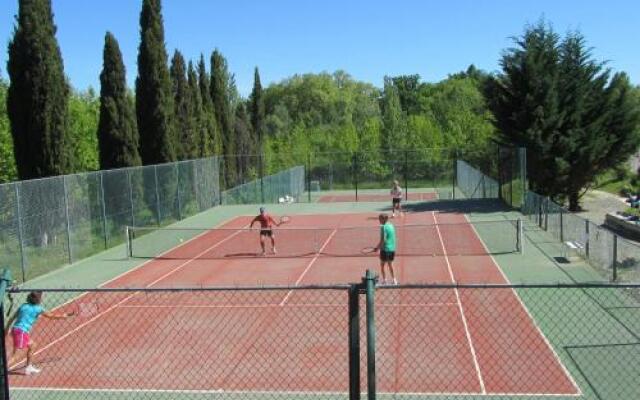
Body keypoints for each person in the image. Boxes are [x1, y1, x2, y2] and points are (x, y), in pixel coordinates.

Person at [5, 291, 74, 375]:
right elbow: (51, 316)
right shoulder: (38, 309)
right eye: (40, 297)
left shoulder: (23, 306)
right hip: (22, 332)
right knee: (15, 356)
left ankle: (29, 367)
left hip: (15, 330)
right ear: (37, 299)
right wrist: (64, 315)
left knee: (32, 345)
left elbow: (11, 318)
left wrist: (6, 329)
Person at [374, 213, 398, 285]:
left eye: (380, 219)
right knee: (390, 264)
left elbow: (383, 240)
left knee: (382, 265)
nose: (379, 220)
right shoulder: (391, 225)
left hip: (385, 249)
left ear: (384, 219)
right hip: (392, 249)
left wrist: (377, 248)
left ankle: (384, 280)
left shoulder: (383, 227)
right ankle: (394, 280)